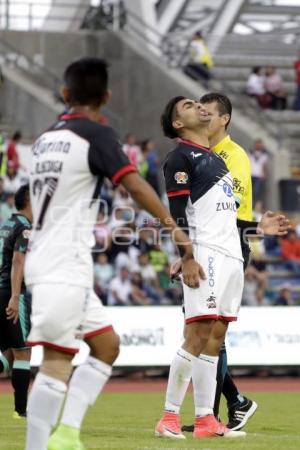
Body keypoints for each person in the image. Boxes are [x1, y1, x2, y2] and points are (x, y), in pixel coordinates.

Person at [24, 57, 202, 450]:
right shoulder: (96, 135)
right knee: (56, 363)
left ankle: (67, 435)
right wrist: (177, 233)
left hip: (56, 259)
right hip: (62, 265)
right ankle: (38, 446)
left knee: (107, 346)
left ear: (65, 94)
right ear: (106, 96)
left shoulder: (45, 139)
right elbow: (135, 187)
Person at [155, 96, 290, 440]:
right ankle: (168, 417)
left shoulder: (218, 160)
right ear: (178, 124)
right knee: (196, 335)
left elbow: (227, 219)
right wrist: (186, 256)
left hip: (231, 254)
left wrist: (259, 227)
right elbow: (178, 214)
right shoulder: (180, 156)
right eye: (187, 105)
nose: (197, 106)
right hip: (206, 255)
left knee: (216, 337)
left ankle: (205, 420)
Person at [0, 184, 32, 418]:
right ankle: (21, 412)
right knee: (22, 352)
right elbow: (18, 261)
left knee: (9, 353)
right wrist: (14, 295)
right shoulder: (24, 227)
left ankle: (21, 410)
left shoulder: (6, 223)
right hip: (11, 293)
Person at [249, 139, 269, 207]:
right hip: (250, 174)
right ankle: (250, 205)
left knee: (256, 192)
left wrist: (265, 174)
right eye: (257, 144)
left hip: (258, 176)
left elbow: (264, 166)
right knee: (249, 191)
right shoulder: (250, 152)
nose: (259, 146)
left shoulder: (264, 155)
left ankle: (255, 206)